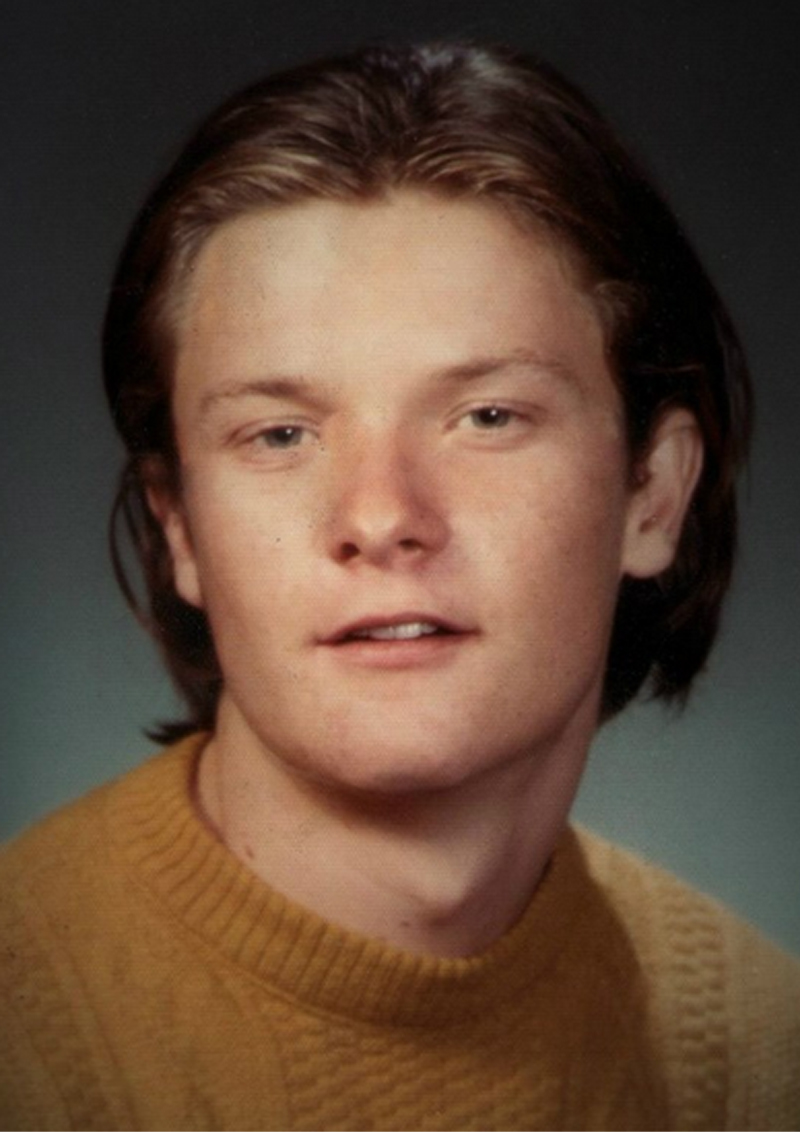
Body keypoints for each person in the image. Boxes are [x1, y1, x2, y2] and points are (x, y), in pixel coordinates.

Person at [1, 40, 797, 1131]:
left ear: (652, 495)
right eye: (280, 434)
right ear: (178, 525)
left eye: (487, 417)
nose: (380, 517)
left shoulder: (759, 1057)